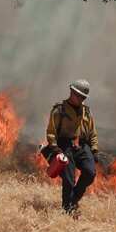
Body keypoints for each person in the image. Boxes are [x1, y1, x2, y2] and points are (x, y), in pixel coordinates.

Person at [43, 79, 100, 214]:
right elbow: (51, 132)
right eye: (79, 95)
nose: (81, 99)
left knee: (90, 173)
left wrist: (94, 149)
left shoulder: (87, 112)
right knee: (69, 180)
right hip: (64, 146)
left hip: (82, 146)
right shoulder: (59, 110)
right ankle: (67, 208)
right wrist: (56, 149)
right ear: (72, 92)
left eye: (83, 97)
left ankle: (73, 199)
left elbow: (92, 133)